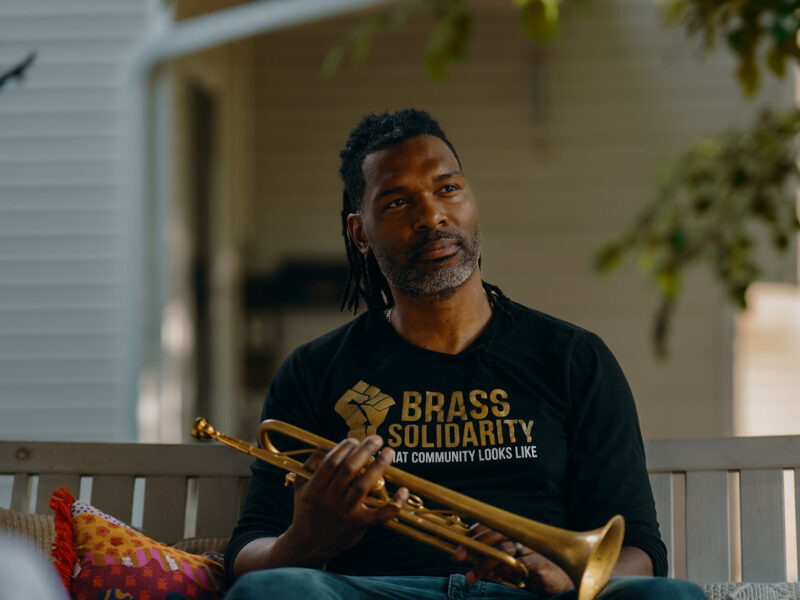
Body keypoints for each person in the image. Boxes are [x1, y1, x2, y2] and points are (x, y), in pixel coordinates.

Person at [223, 109, 705, 600]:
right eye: (396, 202)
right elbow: (250, 553)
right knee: (270, 592)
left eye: (447, 189)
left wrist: (566, 577)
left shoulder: (575, 358)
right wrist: (302, 542)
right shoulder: (314, 370)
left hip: (529, 596)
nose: (431, 216)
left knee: (673, 597)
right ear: (360, 234)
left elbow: (639, 551)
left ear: (472, 199)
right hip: (371, 591)